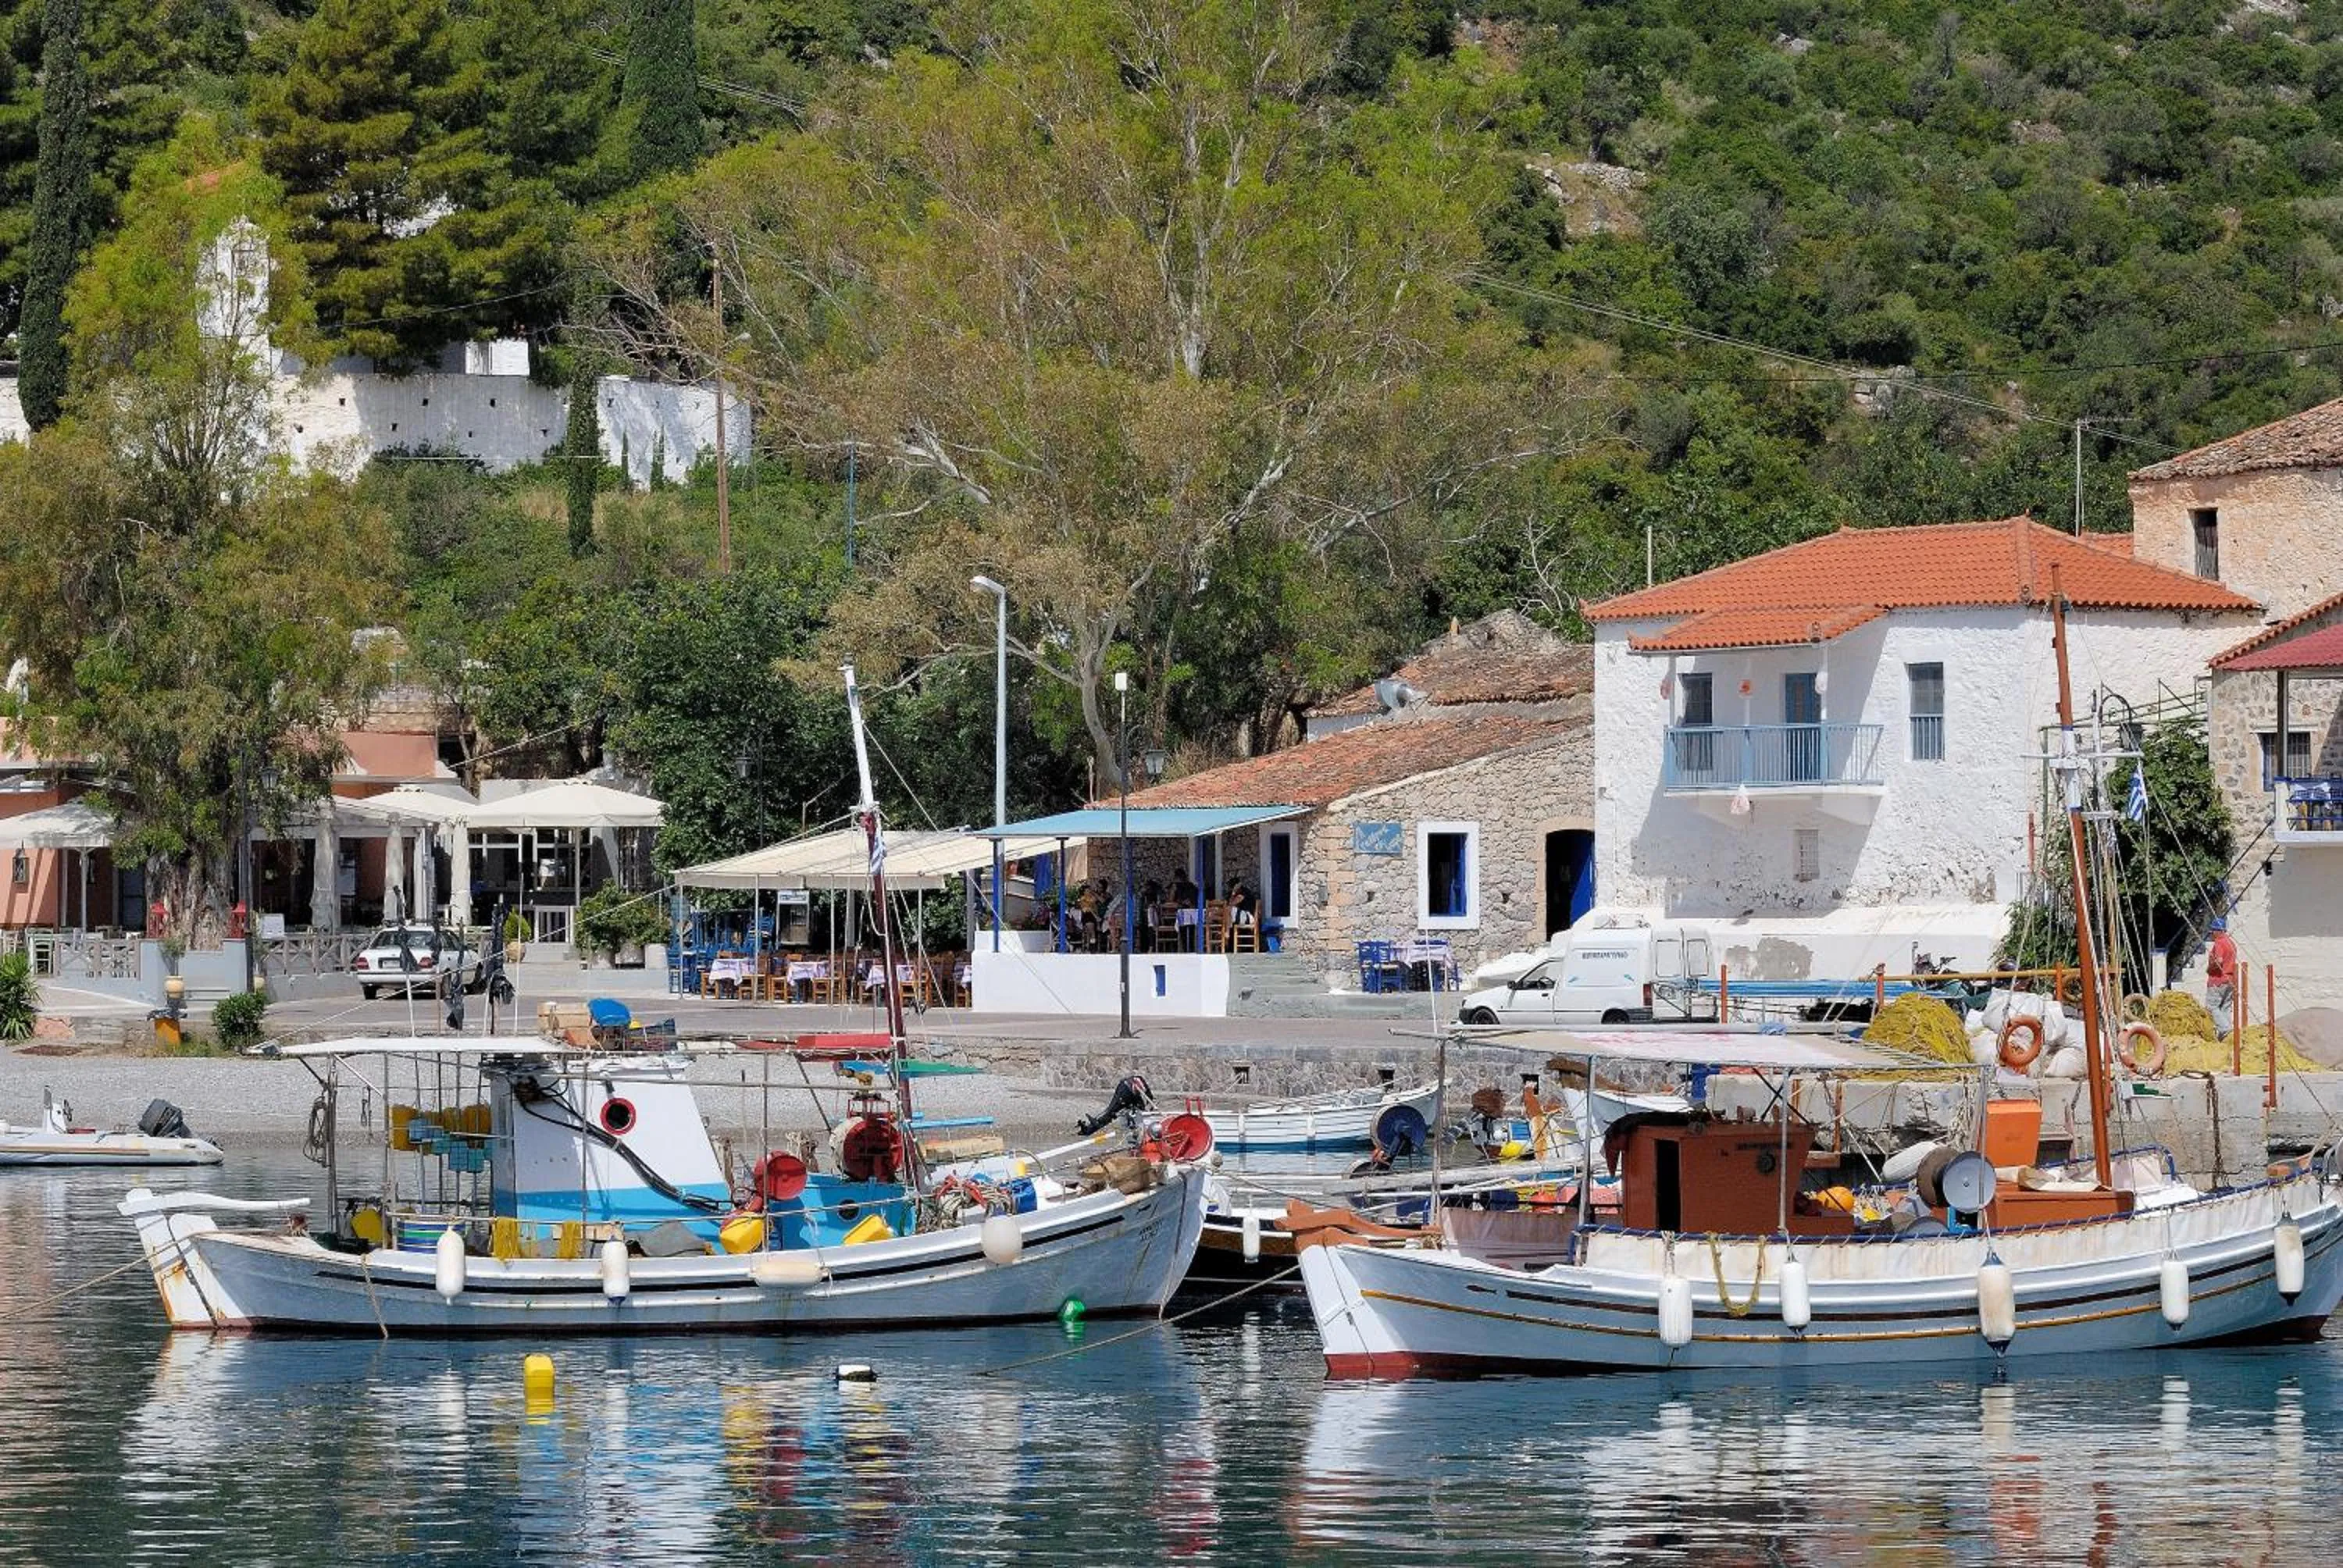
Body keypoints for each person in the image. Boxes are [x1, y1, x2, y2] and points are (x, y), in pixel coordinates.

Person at [2206, 918, 2238, 1034]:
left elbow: (2219, 960)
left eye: (2213, 930)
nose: (2212, 933)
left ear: (2218, 931)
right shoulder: (2231, 943)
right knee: (2226, 1007)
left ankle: (2225, 1029)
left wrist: (2210, 968)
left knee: (2211, 1007)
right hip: (2230, 979)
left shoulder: (2219, 942)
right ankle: (2227, 1035)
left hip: (2218, 980)